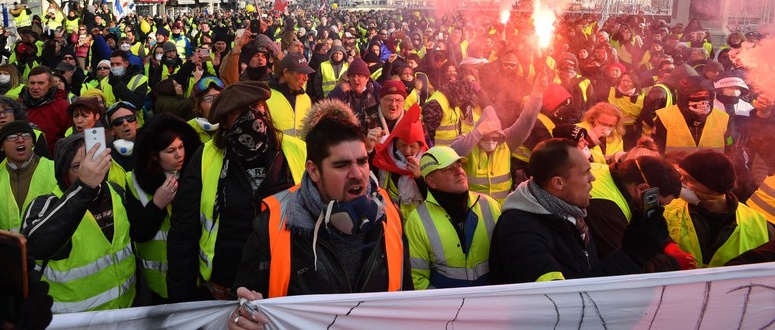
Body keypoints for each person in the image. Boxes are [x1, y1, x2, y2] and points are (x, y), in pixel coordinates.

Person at [229, 98, 409, 328]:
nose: (358, 174)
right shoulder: (271, 225)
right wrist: (240, 318)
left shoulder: (390, 215)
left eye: (362, 161)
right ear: (313, 171)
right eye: (341, 165)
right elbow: (244, 306)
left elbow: (407, 298)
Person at [167, 81, 306, 302]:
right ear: (225, 122)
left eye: (257, 107)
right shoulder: (204, 158)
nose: (253, 117)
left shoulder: (297, 150)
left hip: (288, 280)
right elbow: (184, 230)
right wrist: (182, 300)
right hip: (226, 283)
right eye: (240, 112)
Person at [489, 139, 670, 284]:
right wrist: (633, 255)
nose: (593, 178)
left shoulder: (570, 211)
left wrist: (633, 237)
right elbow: (559, 299)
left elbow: (588, 273)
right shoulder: (520, 231)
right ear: (558, 183)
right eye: (585, 173)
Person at [21, 134, 136, 313]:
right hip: (76, 318)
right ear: (63, 171)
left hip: (126, 310)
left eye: (92, 162)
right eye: (77, 167)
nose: (88, 170)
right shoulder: (45, 204)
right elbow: (35, 246)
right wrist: (84, 187)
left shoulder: (116, 191)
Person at [127, 113, 201, 303]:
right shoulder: (133, 181)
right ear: (153, 155)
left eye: (181, 147)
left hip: (196, 277)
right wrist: (157, 205)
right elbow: (138, 232)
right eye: (170, 150)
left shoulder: (198, 174)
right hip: (158, 283)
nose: (179, 155)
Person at [406, 146, 500, 289]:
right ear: (431, 182)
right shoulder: (417, 220)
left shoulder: (490, 206)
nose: (460, 172)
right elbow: (417, 279)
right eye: (448, 169)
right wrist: (445, 309)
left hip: (492, 304)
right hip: (447, 308)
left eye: (459, 165)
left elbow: (509, 259)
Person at [586, 157, 696, 271]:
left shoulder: (606, 173)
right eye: (658, 204)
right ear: (642, 190)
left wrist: (667, 244)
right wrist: (675, 263)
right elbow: (626, 261)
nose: (657, 209)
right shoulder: (604, 206)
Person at [665, 150, 771, 267]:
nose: (681, 183)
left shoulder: (760, 225)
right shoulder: (667, 210)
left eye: (689, 180)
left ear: (713, 187)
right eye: (681, 176)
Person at [0, 121, 56, 232]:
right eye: (12, 137)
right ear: (1, 146)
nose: (20, 140)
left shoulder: (55, 170)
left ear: (33, 143)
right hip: (8, 248)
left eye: (26, 136)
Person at [653, 76, 730, 154]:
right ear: (684, 97)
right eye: (697, 94)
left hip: (713, 166)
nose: (703, 99)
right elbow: (658, 150)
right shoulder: (665, 117)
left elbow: (730, 143)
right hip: (677, 165)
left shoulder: (722, 118)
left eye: (706, 94)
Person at [19, 66, 71, 155]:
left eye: (40, 83)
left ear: (50, 84)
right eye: (32, 83)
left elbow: (69, 138)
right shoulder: (19, 104)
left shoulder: (62, 106)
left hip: (52, 161)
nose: (35, 87)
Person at [267, 53, 314, 138]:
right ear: (286, 72)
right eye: (302, 73)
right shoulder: (267, 98)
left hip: (302, 151)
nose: (306, 78)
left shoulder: (306, 99)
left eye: (307, 74)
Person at [327, 59, 382, 126]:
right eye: (352, 76)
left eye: (360, 76)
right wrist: (338, 92)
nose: (355, 79)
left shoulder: (375, 92)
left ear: (367, 78)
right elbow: (325, 108)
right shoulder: (342, 93)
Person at [187, 75, 224, 143]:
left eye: (219, 97)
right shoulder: (187, 129)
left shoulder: (233, 126)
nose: (216, 102)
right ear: (198, 107)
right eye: (209, 98)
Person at [105, 101, 140, 172]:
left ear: (136, 124)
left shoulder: (152, 147)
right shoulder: (106, 157)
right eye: (118, 121)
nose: (125, 123)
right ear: (112, 130)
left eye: (130, 119)